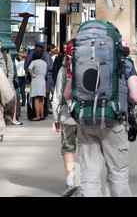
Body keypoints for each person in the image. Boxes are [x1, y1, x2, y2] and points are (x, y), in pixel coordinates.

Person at [64, 41, 137, 197]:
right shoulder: (125, 64)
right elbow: (136, 96)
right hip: (113, 122)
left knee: (89, 173)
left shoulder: (82, 63)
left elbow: (67, 94)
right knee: (117, 171)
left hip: (87, 121)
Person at [52, 42, 78, 197]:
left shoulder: (64, 69)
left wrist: (56, 118)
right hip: (87, 117)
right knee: (88, 149)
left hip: (67, 115)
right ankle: (88, 182)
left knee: (68, 149)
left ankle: (71, 181)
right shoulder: (93, 65)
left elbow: (58, 94)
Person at [28, 50, 47, 121]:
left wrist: (32, 74)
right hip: (42, 81)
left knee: (36, 99)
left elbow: (29, 68)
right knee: (41, 99)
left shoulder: (34, 62)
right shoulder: (44, 63)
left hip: (36, 80)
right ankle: (42, 115)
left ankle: (37, 116)